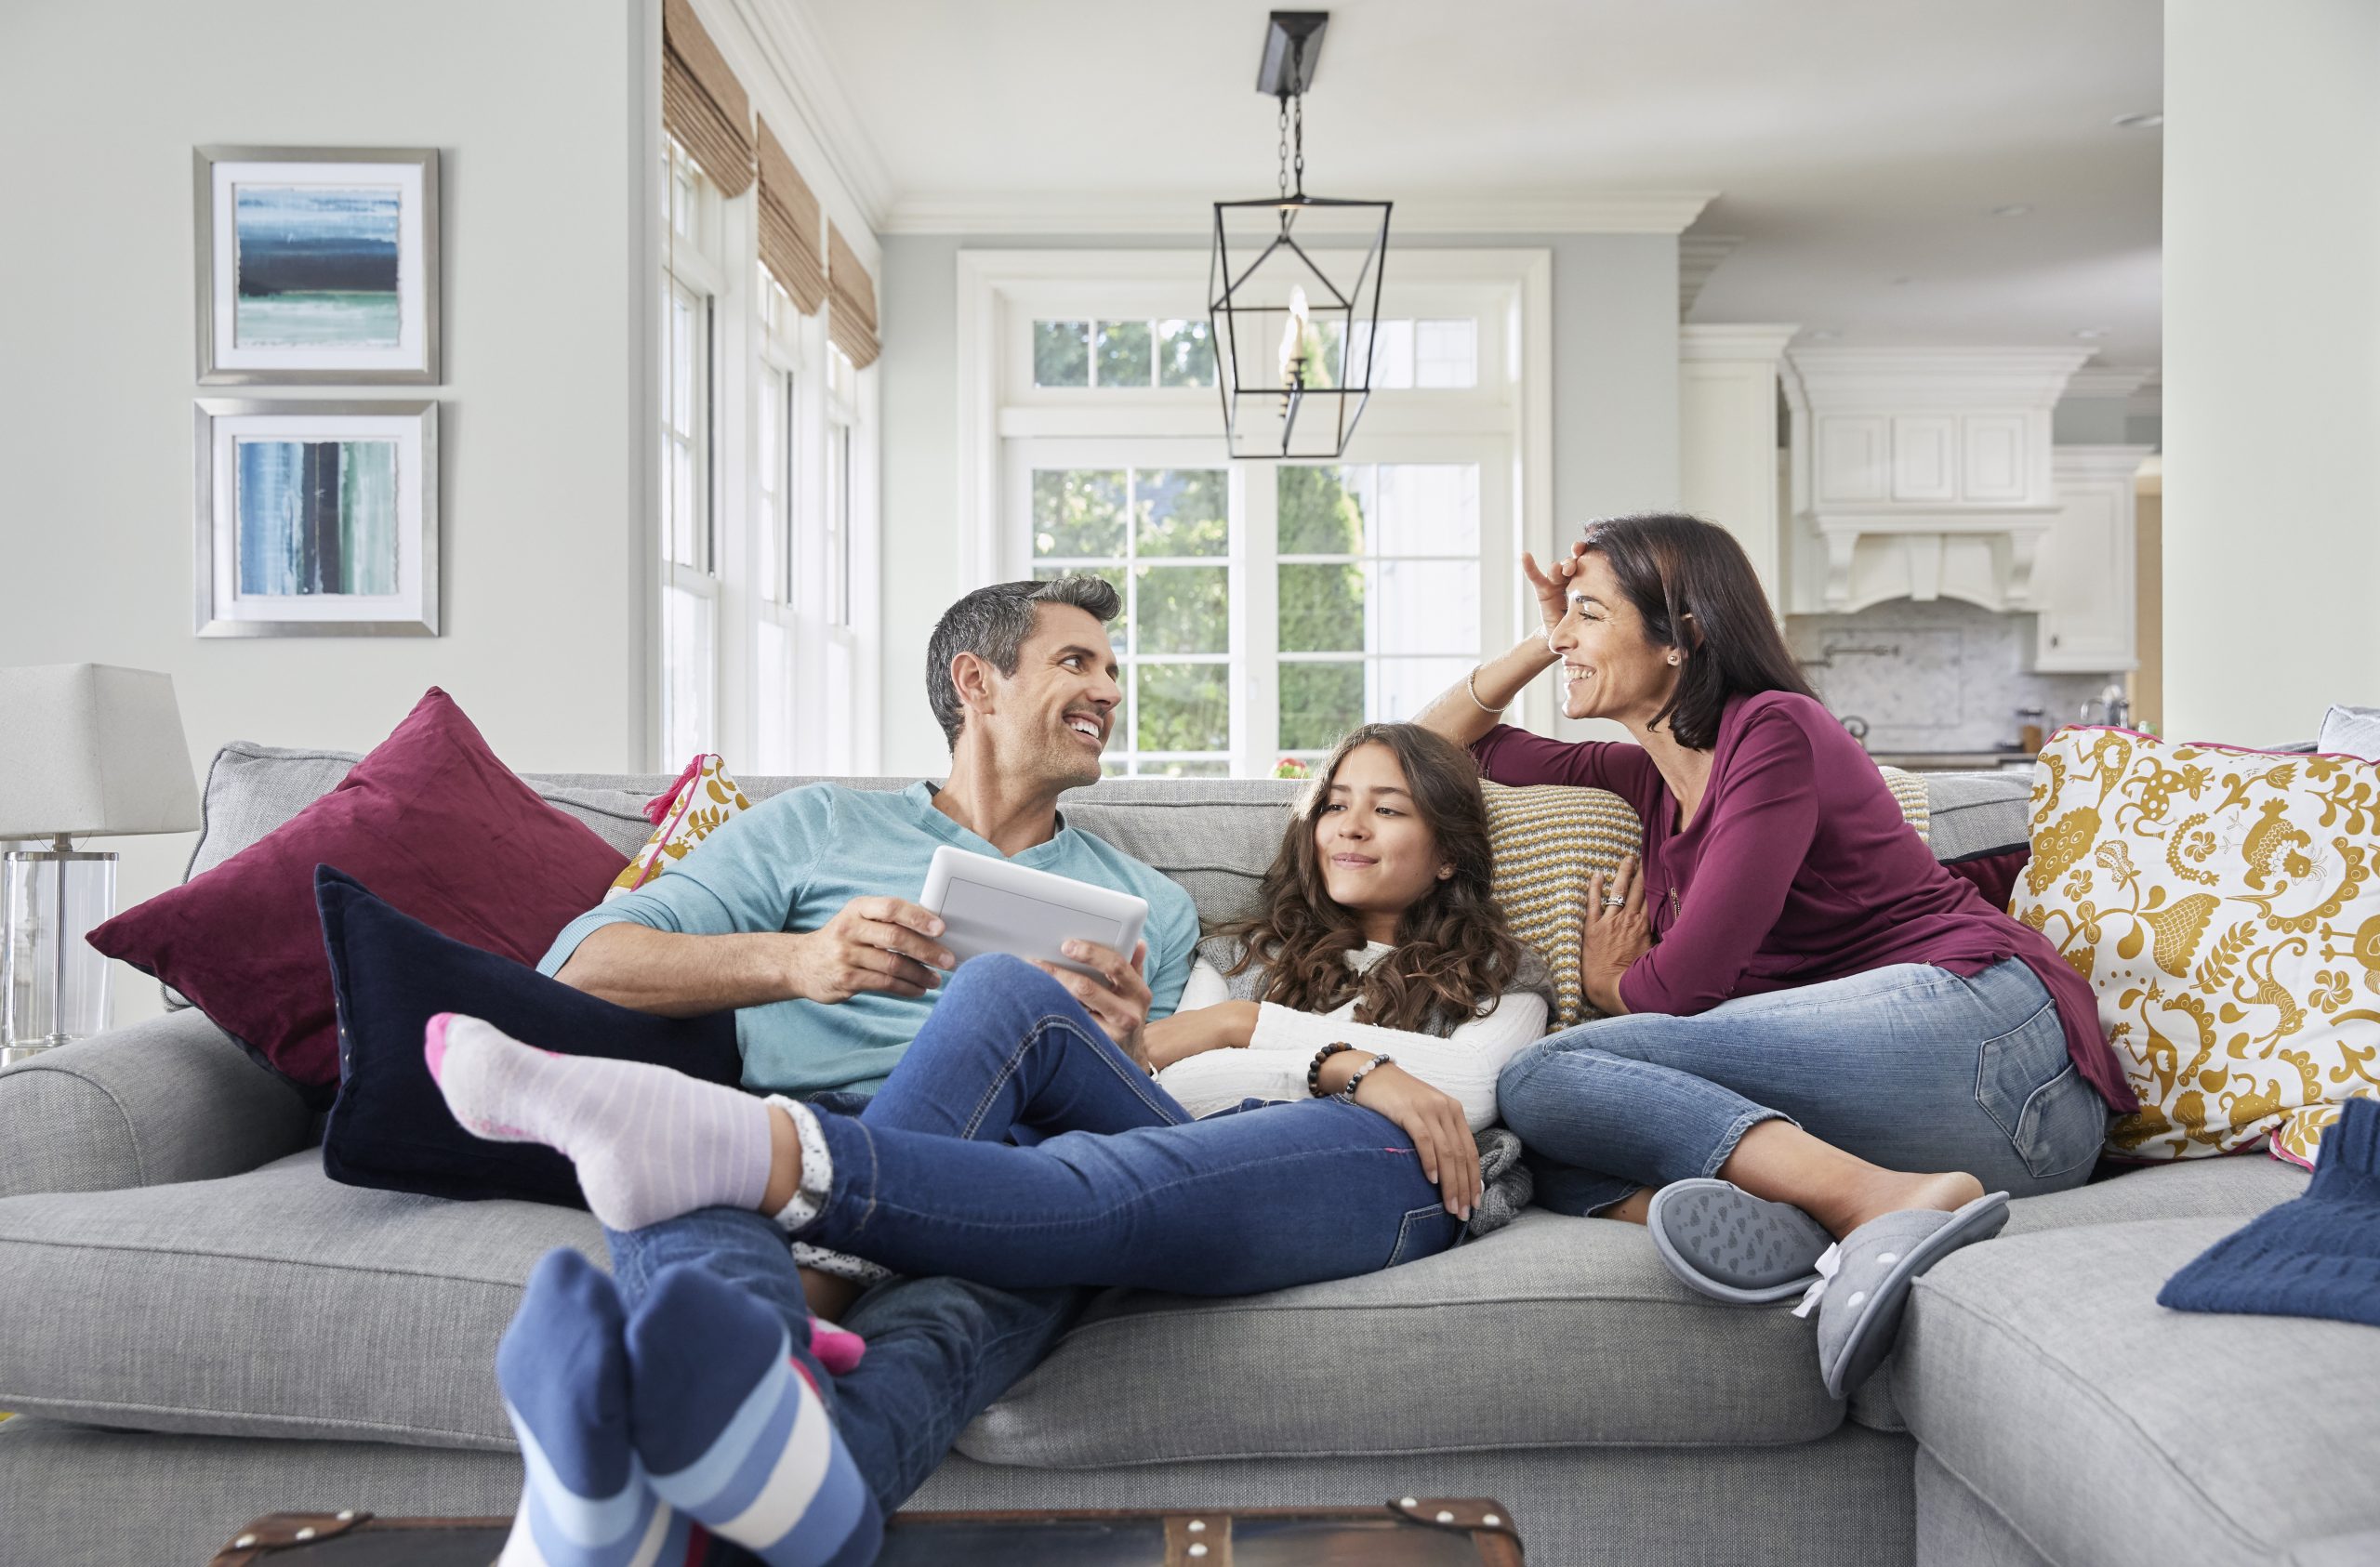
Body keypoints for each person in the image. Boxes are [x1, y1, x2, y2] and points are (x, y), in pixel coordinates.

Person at [456, 643, 1550, 1561]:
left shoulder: (1480, 978)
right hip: (1040, 1139)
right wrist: (1278, 1043)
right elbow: (1183, 1076)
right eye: (1334, 805)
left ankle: (760, 1207)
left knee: (970, 1053)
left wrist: (1236, 1043)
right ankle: (711, 1468)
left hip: (1149, 1156)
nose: (1346, 827)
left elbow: (1460, 1089)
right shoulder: (1253, 957)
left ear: (1446, 853)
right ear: (976, 682)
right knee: (968, 1172)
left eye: (1386, 810)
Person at [1414, 513, 2137, 1401]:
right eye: (1567, 618)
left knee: (1538, 1077)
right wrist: (1548, 635)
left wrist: (1612, 984)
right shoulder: (1645, 781)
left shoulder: (1775, 731)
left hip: (1995, 1044)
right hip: (1947, 1129)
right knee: (1547, 1141)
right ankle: (1826, 1203)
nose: (1567, 636)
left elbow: (1684, 987)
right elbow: (1437, 748)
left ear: (1682, 637)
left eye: (1590, 615)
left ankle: (1866, 1203)